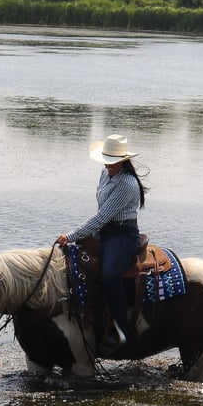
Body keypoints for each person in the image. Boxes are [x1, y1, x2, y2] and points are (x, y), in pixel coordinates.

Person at [57, 134, 147, 354]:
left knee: (109, 276)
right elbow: (100, 216)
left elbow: (102, 216)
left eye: (112, 161)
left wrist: (72, 234)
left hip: (122, 235)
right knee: (74, 263)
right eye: (106, 160)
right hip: (104, 232)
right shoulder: (105, 174)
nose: (108, 165)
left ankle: (123, 330)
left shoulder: (127, 183)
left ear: (123, 160)